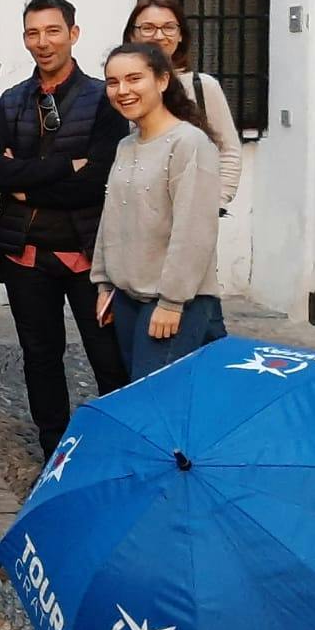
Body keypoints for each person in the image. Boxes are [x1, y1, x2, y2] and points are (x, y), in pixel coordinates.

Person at [0, 0, 130, 459]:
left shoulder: (104, 99)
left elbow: (97, 181)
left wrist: (22, 181)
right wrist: (65, 166)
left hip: (88, 253)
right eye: (32, 33)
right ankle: (54, 450)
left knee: (108, 359)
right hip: (26, 255)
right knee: (41, 358)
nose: (42, 42)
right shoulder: (12, 100)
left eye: (52, 31)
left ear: (73, 34)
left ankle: (120, 447)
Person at [93, 45, 226, 379]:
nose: (122, 91)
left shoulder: (189, 143)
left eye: (134, 79)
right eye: (112, 82)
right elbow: (112, 217)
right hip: (126, 299)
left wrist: (171, 302)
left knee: (157, 405)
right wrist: (104, 283)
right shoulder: (126, 145)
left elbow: (194, 231)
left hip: (171, 303)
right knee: (141, 396)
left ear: (163, 80)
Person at [122, 0, 241, 207]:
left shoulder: (202, 86)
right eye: (148, 28)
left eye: (169, 27)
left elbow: (228, 150)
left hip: (191, 210)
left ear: (180, 36)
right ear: (132, 35)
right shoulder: (121, 89)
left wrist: (217, 202)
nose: (159, 36)